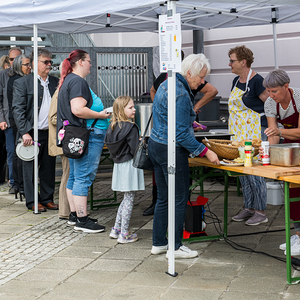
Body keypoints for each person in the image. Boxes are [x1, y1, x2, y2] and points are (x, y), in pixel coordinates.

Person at [148, 53, 219, 259]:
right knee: (179, 198)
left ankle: (159, 243)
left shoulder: (167, 83)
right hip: (169, 149)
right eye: (201, 77)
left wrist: (189, 123)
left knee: (163, 198)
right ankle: (176, 247)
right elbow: (179, 134)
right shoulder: (180, 92)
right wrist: (206, 152)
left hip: (156, 144)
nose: (203, 81)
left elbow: (168, 118)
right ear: (189, 73)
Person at [57, 49, 110, 233]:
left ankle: (75, 215)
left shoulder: (68, 80)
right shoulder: (77, 81)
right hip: (87, 134)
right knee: (83, 177)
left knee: (75, 176)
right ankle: (82, 220)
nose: (90, 64)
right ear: (80, 62)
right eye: (88, 61)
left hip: (77, 135)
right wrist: (101, 114)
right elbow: (78, 109)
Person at [12, 48, 59, 212]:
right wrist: (25, 132)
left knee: (48, 166)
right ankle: (32, 200)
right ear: (34, 63)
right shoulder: (23, 83)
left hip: (49, 131)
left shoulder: (55, 81)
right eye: (45, 62)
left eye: (50, 62)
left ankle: (47, 198)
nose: (49, 65)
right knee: (30, 169)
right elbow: (17, 110)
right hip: (31, 133)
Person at [228, 45, 269, 226]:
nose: (229, 64)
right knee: (243, 170)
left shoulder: (257, 81)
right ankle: (249, 207)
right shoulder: (236, 81)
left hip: (256, 131)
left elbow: (269, 105)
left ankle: (260, 211)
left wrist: (270, 131)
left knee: (255, 171)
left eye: (232, 60)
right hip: (239, 132)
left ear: (243, 62)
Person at [263, 69, 300, 255]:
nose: (271, 95)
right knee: (292, 192)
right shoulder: (270, 103)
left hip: (296, 145)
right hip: (291, 151)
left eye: (275, 91)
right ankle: (298, 235)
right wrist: (269, 157)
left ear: (286, 86)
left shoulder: (299, 97)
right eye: (268, 91)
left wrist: (279, 132)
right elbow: (272, 134)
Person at [105, 96, 145, 243]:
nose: (134, 109)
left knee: (126, 197)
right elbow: (135, 149)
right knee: (129, 198)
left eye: (133, 106)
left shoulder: (112, 126)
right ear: (121, 110)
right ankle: (124, 233)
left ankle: (116, 229)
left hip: (119, 165)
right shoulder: (131, 127)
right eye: (130, 107)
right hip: (130, 164)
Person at [7, 54, 32, 200]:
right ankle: (19, 185)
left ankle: (19, 185)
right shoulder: (17, 80)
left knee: (19, 152)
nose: (29, 67)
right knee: (19, 152)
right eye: (26, 65)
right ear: (18, 66)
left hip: (18, 118)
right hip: (18, 119)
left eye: (30, 64)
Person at [48, 62, 70, 219]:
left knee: (70, 174)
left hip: (69, 138)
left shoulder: (65, 89)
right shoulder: (60, 91)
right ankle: (65, 211)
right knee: (68, 175)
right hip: (66, 139)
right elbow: (54, 117)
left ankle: (69, 209)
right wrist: (71, 120)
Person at [0, 47, 22, 194]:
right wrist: (1, 118)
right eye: (12, 59)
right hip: (8, 120)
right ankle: (13, 182)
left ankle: (23, 182)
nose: (14, 62)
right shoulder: (3, 75)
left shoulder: (26, 74)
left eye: (17, 59)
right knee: (11, 151)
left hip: (24, 120)